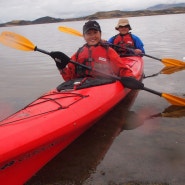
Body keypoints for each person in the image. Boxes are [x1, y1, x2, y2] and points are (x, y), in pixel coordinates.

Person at [50, 20, 134, 81]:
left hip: (104, 86)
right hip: (83, 87)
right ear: (84, 36)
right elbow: (69, 78)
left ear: (100, 34)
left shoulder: (109, 51)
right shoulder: (78, 53)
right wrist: (61, 67)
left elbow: (123, 70)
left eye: (95, 32)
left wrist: (130, 78)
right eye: (89, 34)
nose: (92, 36)